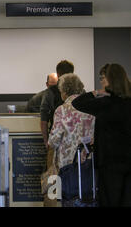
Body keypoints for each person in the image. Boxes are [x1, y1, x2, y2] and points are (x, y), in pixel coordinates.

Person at [72, 63, 131, 207]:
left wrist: (96, 92)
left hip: (109, 162)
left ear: (110, 80)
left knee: (109, 200)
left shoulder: (105, 103)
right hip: (128, 160)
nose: (101, 81)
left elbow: (77, 103)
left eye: (103, 78)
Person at [47, 74, 95, 207]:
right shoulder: (92, 108)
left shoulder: (62, 110)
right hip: (90, 165)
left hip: (67, 168)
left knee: (68, 200)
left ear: (65, 91)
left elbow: (54, 141)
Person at [39, 59, 74, 207]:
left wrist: (47, 142)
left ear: (58, 73)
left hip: (55, 143)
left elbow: (43, 120)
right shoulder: (81, 92)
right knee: (73, 178)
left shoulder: (50, 92)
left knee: (53, 180)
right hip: (75, 145)